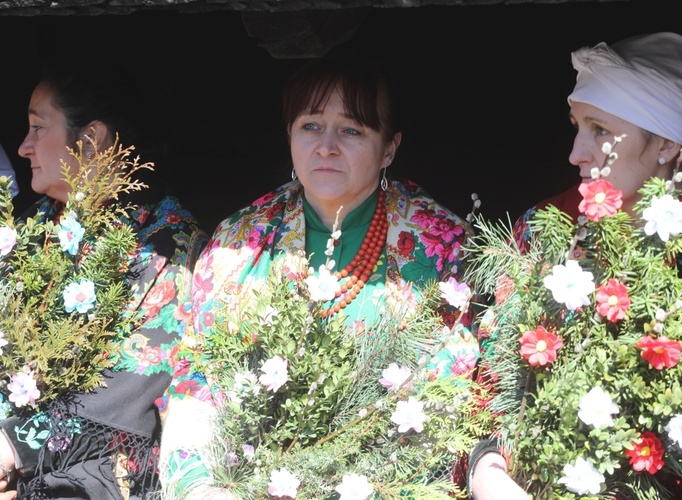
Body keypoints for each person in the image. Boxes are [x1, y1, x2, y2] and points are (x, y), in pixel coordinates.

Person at [157, 49, 481, 498]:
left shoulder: (442, 247)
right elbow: (195, 378)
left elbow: (450, 394)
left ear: (390, 147)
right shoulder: (240, 240)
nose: (326, 146)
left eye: (352, 130)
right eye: (310, 125)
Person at [468, 32, 682, 498]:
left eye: (600, 130)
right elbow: (494, 382)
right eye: (577, 125)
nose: (576, 153)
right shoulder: (543, 230)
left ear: (664, 144)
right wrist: (489, 469)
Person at [0, 63, 207, 499]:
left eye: (38, 127)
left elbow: (121, 396)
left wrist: (15, 447)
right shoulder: (34, 227)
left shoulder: (167, 244)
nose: (23, 147)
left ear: (91, 139)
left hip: (91, 471)